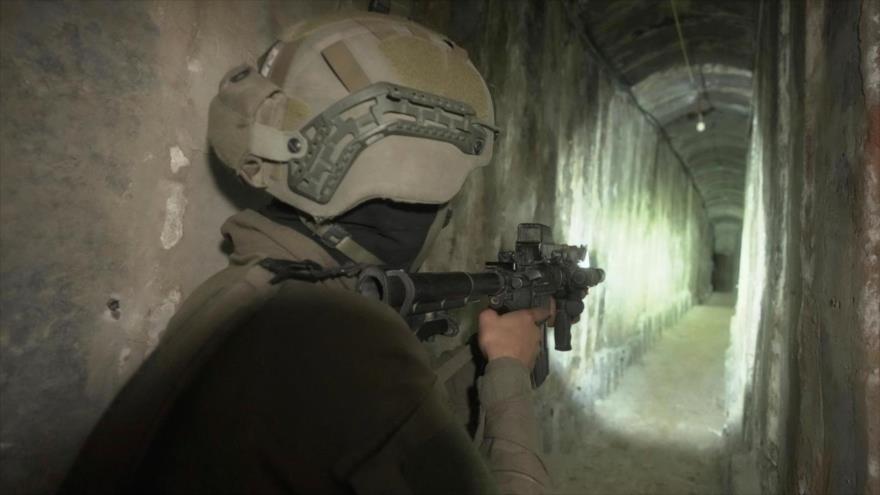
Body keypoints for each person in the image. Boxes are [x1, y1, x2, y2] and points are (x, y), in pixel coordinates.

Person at [61, 12, 550, 494]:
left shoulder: (245, 292)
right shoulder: (344, 337)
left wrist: (476, 359)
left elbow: (368, 433)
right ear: (424, 185)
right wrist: (510, 371)